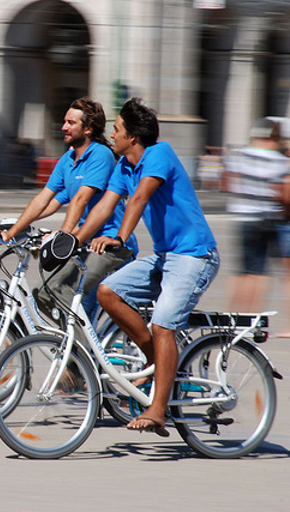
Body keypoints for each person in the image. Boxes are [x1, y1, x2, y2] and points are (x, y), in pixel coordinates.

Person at [74, 98, 220, 437]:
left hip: (194, 256)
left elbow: (139, 198)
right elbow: (104, 207)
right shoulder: (123, 166)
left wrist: (121, 237)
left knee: (163, 324)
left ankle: (158, 410)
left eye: (117, 129)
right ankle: (158, 360)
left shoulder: (160, 154)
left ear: (134, 137)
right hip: (166, 256)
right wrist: (74, 240)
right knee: (108, 293)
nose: (112, 135)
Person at [1, 97, 138, 320]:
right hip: (82, 242)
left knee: (67, 298)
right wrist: (12, 231)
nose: (64, 127)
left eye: (71, 123)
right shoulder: (68, 160)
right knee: (45, 294)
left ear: (88, 129)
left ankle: (80, 352)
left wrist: (63, 239)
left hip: (108, 244)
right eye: (64, 121)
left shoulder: (100, 155)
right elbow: (45, 200)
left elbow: (81, 199)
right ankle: (68, 345)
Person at [221, 118, 290, 317]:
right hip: (267, 218)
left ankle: (232, 312)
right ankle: (251, 316)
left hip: (243, 216)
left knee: (241, 270)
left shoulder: (238, 156)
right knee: (258, 272)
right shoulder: (279, 161)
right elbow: (284, 195)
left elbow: (227, 183)